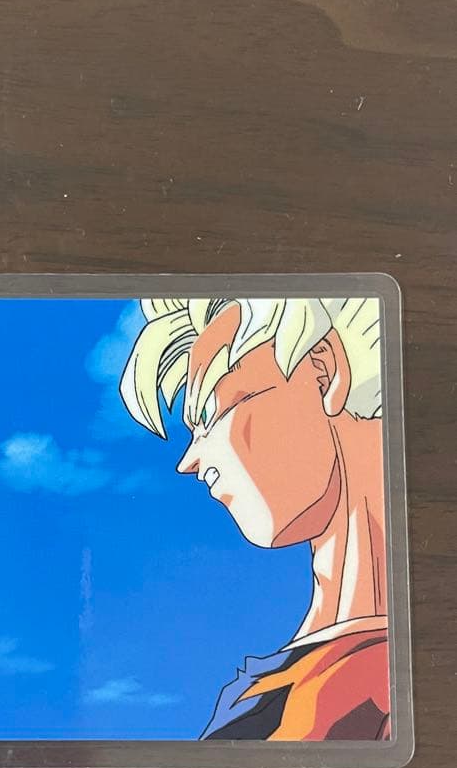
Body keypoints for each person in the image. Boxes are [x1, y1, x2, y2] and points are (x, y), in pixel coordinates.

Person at [120, 296, 390, 741]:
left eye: (210, 415)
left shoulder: (390, 683)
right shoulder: (275, 685)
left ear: (323, 371)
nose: (189, 461)